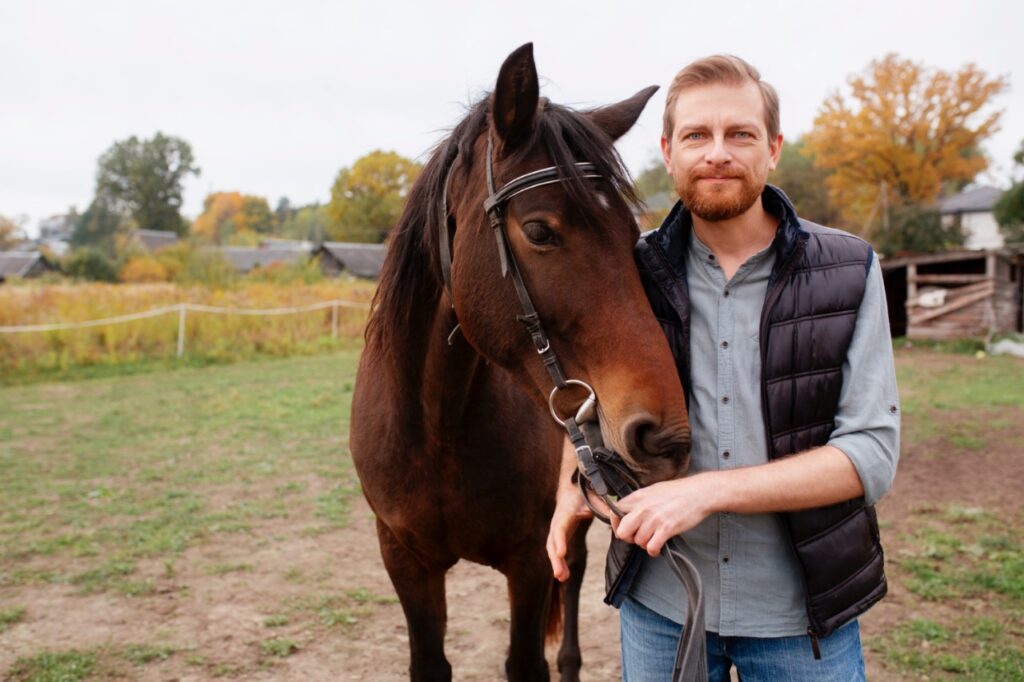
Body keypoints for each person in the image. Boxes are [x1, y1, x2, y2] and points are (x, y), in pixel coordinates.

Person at [546, 55, 900, 681]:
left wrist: (707, 492)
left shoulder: (850, 269)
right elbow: (583, 400)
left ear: (774, 149)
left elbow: (870, 452)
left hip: (804, 618)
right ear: (667, 150)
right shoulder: (629, 273)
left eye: (740, 134)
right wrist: (569, 483)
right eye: (696, 136)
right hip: (662, 608)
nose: (718, 153)